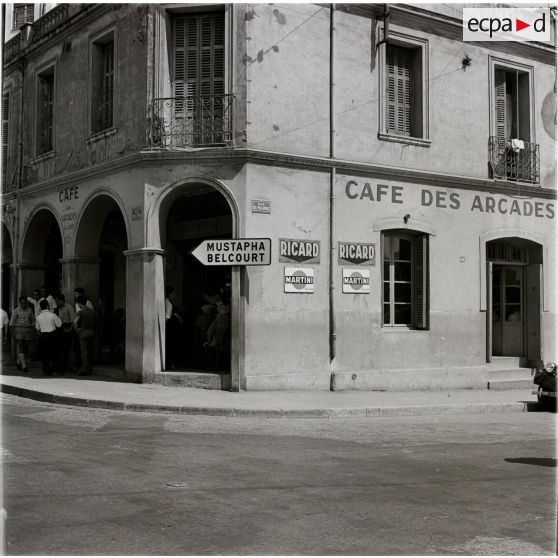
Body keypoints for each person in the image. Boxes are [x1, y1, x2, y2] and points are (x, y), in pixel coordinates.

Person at [35, 299, 62, 376]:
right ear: (48, 306)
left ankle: (46, 370)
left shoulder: (38, 317)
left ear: (41, 307)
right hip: (52, 335)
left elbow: (37, 328)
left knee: (44, 354)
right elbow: (59, 325)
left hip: (43, 336)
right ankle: (54, 370)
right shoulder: (53, 315)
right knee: (54, 353)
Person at [9, 296, 35, 372]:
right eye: (22, 302)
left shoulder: (29, 310)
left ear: (26, 303)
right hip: (19, 330)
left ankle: (19, 360)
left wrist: (34, 329)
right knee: (21, 346)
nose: (23, 304)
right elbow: (12, 322)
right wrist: (12, 332)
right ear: (20, 302)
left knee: (26, 347)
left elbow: (33, 320)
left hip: (27, 330)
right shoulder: (16, 311)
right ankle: (24, 366)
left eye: (24, 302)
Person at [74, 294, 96, 376]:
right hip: (92, 331)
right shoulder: (92, 311)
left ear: (79, 303)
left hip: (83, 332)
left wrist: (77, 329)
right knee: (90, 350)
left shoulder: (80, 312)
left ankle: (86, 368)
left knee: (84, 352)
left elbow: (75, 322)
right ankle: (90, 366)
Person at [55, 294, 76, 372]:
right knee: (59, 348)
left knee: (66, 349)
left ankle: (65, 366)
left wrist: (69, 329)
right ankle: (61, 366)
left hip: (67, 328)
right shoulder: (58, 308)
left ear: (61, 300)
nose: (56, 302)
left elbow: (74, 320)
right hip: (60, 328)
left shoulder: (69, 307)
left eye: (57, 301)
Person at [165, 286, 182, 370]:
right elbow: (167, 317)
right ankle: (169, 364)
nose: (174, 295)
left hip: (169, 328)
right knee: (170, 346)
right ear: (169, 294)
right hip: (170, 329)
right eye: (173, 294)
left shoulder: (165, 302)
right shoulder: (168, 303)